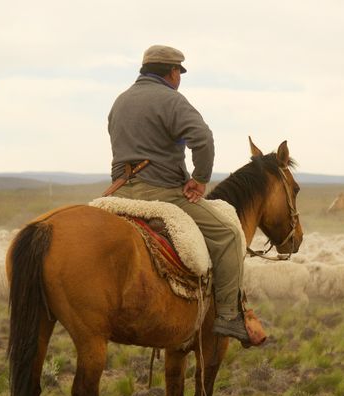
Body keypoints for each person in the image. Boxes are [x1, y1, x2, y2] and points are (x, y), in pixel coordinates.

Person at [107, 44, 253, 345]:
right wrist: (199, 180)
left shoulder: (119, 102)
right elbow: (203, 138)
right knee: (228, 234)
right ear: (173, 73)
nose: (179, 78)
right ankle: (228, 316)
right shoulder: (171, 101)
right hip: (161, 193)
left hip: (120, 194)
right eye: (179, 73)